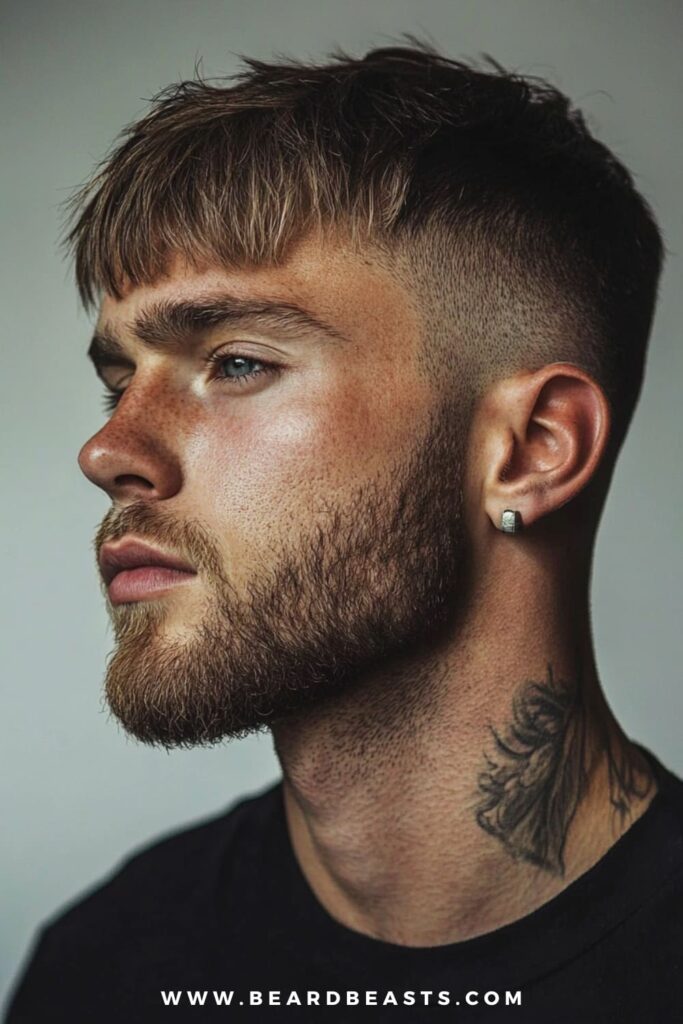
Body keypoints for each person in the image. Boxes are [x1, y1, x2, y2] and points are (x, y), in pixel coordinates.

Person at [5, 37, 682, 1024]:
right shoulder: (106, 968)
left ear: (532, 448)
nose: (109, 448)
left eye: (235, 362)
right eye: (117, 383)